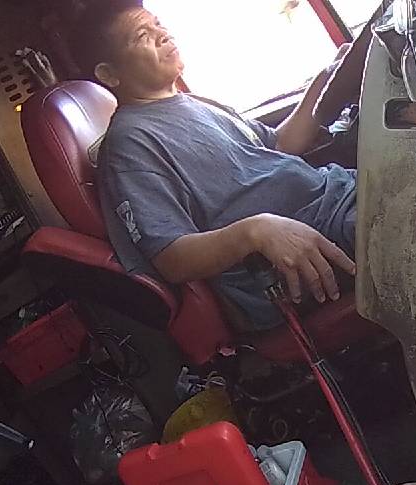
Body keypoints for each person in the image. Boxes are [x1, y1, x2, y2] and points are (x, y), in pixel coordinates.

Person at [75, 0, 358, 329]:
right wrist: (256, 231)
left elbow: (278, 146)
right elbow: (171, 258)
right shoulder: (130, 144)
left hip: (339, 196)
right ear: (109, 74)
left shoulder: (195, 103)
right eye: (142, 35)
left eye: (158, 24)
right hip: (309, 246)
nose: (163, 35)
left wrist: (327, 81)